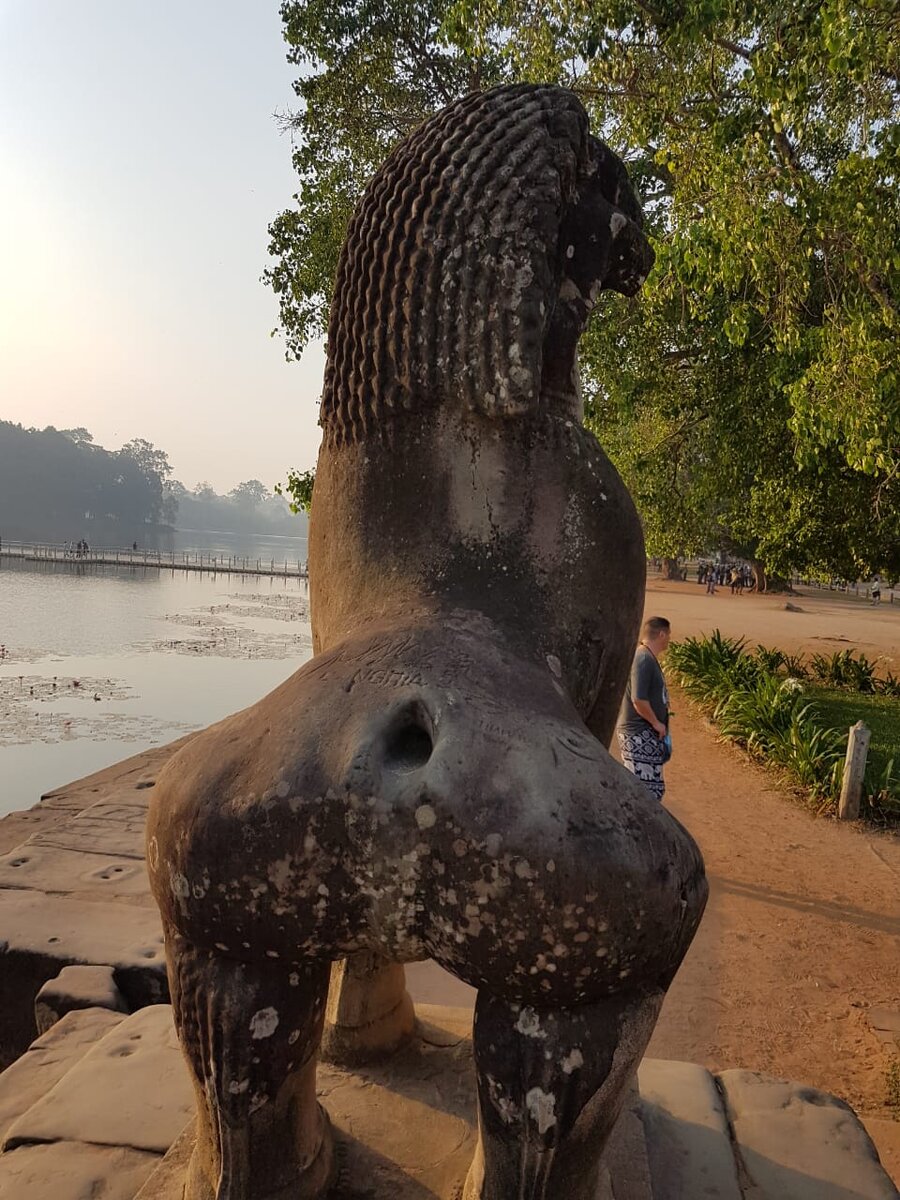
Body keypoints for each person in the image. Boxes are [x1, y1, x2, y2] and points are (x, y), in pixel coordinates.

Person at [616, 616, 671, 802]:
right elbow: (638, 699)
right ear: (662, 634)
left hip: (646, 734)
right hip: (639, 732)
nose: (669, 639)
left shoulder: (647, 657)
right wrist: (656, 723)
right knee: (641, 792)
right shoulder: (643, 659)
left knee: (651, 788)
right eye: (668, 634)